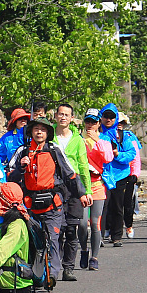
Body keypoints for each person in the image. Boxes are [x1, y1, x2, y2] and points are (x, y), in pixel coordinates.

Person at [8, 116, 85, 281]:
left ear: (48, 132)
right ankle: (32, 274)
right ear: (31, 131)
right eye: (36, 129)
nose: (39, 132)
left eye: (43, 129)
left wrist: (82, 194)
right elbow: (9, 178)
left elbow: (70, 175)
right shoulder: (22, 151)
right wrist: (21, 168)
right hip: (29, 205)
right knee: (30, 240)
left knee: (52, 239)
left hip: (52, 204)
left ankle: (52, 275)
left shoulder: (54, 150)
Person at [51, 104, 93, 281]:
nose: (63, 117)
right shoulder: (49, 136)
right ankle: (55, 265)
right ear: (55, 116)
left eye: (67, 115)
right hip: (54, 184)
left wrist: (87, 190)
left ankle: (69, 268)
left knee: (71, 229)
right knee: (56, 229)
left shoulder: (77, 139)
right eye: (60, 114)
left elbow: (83, 166)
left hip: (74, 187)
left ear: (71, 118)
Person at [82, 110, 113, 269]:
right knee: (81, 224)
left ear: (99, 124)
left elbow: (107, 158)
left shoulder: (105, 140)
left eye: (93, 122)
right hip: (81, 186)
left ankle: (94, 257)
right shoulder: (79, 140)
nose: (90, 125)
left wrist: (97, 141)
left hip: (98, 184)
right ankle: (83, 250)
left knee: (95, 223)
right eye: (88, 121)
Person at [118, 113, 142, 240]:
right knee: (114, 203)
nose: (119, 125)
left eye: (122, 122)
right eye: (118, 122)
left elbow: (136, 158)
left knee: (128, 202)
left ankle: (129, 225)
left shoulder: (130, 137)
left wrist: (135, 174)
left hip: (129, 174)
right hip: (115, 174)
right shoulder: (107, 136)